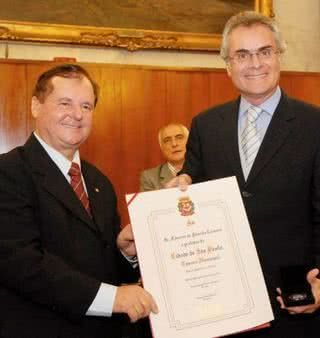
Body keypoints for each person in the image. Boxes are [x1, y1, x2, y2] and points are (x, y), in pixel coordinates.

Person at [167, 11, 320, 338]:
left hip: (294, 304)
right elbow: (191, 186)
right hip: (221, 304)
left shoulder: (314, 125)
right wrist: (180, 190)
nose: (255, 64)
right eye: (242, 55)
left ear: (279, 57)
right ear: (228, 64)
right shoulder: (206, 126)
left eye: (265, 52)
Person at [0, 64, 158, 338]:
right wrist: (113, 299)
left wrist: (123, 252)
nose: (77, 115)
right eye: (65, 103)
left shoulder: (99, 183)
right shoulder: (9, 172)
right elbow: (21, 263)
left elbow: (105, 270)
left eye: (86, 106)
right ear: (36, 106)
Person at [140, 123, 189, 192]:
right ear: (161, 147)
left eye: (179, 138)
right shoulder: (149, 177)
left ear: (190, 141)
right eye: (167, 140)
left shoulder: (204, 168)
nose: (174, 144)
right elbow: (150, 202)